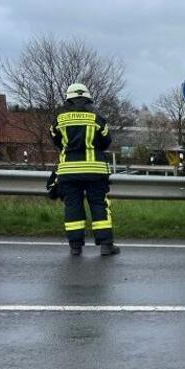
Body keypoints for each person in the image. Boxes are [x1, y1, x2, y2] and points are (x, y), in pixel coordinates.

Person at [50, 83, 120, 256]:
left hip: (68, 172)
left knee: (72, 206)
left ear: (68, 100)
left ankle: (75, 246)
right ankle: (106, 245)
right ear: (88, 100)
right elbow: (106, 143)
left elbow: (56, 142)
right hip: (95, 171)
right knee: (98, 205)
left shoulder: (59, 121)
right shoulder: (97, 120)